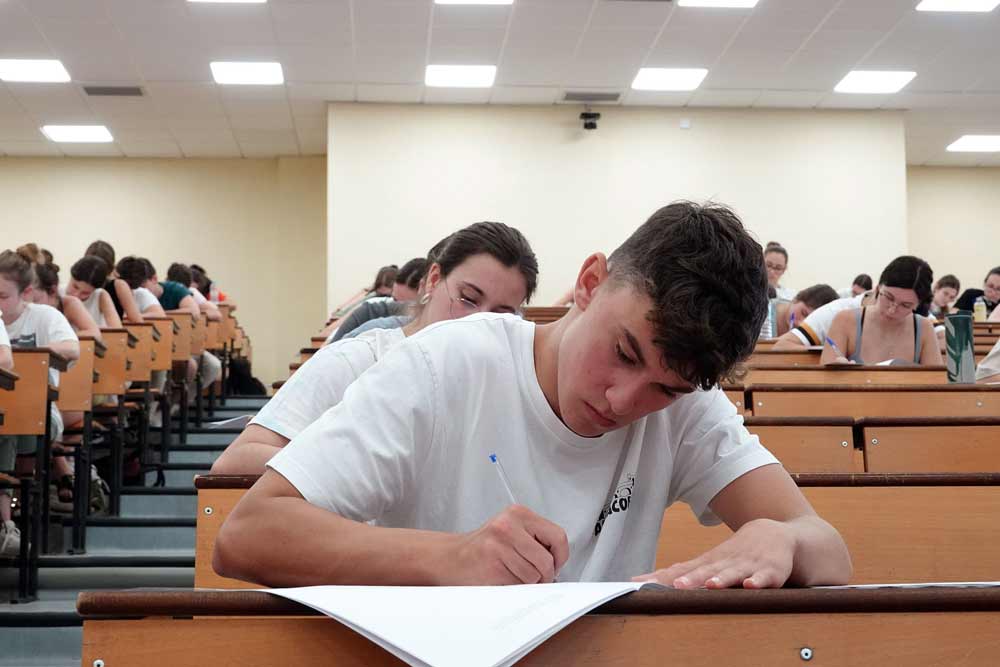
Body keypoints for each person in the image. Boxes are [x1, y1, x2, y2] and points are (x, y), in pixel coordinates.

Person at [213, 202, 852, 590]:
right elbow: (247, 536)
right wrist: (452, 558)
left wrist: (783, 539)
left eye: (664, 386)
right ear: (591, 282)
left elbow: (828, 547)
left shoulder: (688, 410)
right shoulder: (447, 361)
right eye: (624, 351)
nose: (623, 400)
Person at [211, 222, 538, 475]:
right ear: (434, 279)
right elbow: (237, 460)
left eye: (500, 315)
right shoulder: (357, 360)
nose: (477, 322)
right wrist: (365, 466)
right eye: (468, 298)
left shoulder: (505, 388)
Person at [0, 249, 80, 555]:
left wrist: (31, 357)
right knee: (5, 421)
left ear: (27, 292)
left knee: (10, 423)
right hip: (6, 415)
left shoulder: (45, 316)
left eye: (3, 295)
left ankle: (8, 522)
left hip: (44, 412)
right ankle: (8, 523)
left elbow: (73, 349)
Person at [822, 256, 940, 366]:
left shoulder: (924, 329)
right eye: (888, 297)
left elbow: (935, 383)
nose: (892, 310)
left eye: (905, 305)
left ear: (918, 305)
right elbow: (824, 380)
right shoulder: (845, 321)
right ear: (878, 288)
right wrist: (838, 372)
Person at [329, 257, 430, 344]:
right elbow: (330, 348)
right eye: (394, 299)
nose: (395, 306)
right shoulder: (369, 312)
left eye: (405, 304)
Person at [30, 262, 101, 340]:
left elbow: (95, 333)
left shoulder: (69, 303)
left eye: (35, 300)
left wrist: (62, 337)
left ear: (53, 291)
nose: (30, 305)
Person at [64, 256, 124, 328]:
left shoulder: (100, 295)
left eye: (85, 293)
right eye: (75, 287)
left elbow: (117, 330)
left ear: (95, 290)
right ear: (71, 277)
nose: (77, 295)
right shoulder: (56, 293)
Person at [772, 285, 839, 338]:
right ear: (796, 299)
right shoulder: (763, 310)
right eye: (803, 313)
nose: (800, 324)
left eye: (811, 322)